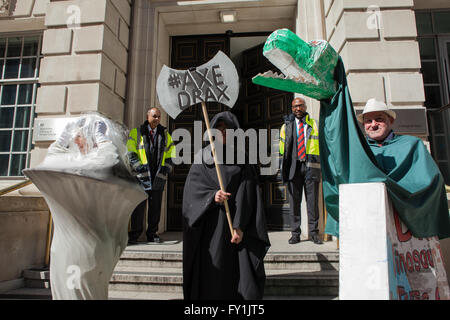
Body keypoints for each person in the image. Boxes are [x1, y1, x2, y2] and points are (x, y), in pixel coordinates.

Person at [182, 111, 270, 300]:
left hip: (237, 228)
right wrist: (212, 196)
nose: (223, 132)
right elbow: (192, 191)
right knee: (213, 273)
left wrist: (239, 227)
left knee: (239, 277)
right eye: (219, 128)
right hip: (211, 227)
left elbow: (248, 194)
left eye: (227, 129)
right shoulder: (203, 157)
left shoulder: (242, 159)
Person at [127, 107, 176, 244]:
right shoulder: (136, 133)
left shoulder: (165, 134)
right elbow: (130, 152)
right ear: (148, 116)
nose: (157, 119)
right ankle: (134, 235)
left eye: (159, 117)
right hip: (141, 177)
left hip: (158, 176)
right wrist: (138, 167)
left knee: (155, 208)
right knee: (138, 208)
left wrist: (166, 168)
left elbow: (172, 152)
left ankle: (152, 234)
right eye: (154, 116)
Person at [280, 96, 322, 245]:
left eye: (300, 106)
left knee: (312, 202)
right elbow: (282, 150)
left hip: (311, 167)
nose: (297, 109)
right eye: (294, 107)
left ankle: (314, 233)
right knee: (294, 203)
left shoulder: (315, 124)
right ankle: (295, 234)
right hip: (293, 167)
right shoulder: (286, 126)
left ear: (305, 107)